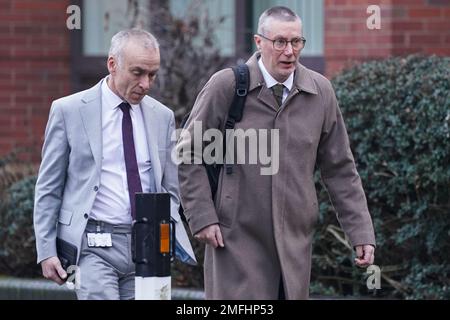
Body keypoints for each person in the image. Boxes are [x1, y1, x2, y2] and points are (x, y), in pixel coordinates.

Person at [177, 6, 375, 299]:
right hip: (234, 241)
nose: (289, 51)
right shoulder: (227, 85)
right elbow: (188, 152)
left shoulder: (320, 92)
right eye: (280, 42)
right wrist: (203, 217)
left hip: (294, 244)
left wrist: (360, 232)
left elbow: (341, 170)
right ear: (259, 42)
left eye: (296, 42)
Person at [33, 29, 196, 300]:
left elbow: (170, 187)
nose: (146, 83)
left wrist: (167, 236)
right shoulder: (68, 110)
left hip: (148, 244)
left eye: (152, 74)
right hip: (92, 246)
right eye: (138, 72)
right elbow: (49, 187)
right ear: (112, 64)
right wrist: (47, 249)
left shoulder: (162, 116)